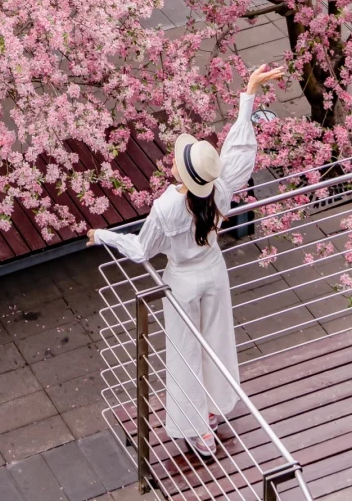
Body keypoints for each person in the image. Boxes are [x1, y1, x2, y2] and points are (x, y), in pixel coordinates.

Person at [88, 64, 284, 461]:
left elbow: (142, 251)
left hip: (182, 280)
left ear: (183, 173)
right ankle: (213, 414)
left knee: (184, 351)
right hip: (214, 271)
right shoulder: (222, 188)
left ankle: (196, 429)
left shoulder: (166, 207)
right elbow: (240, 151)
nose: (172, 161)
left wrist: (102, 235)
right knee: (216, 342)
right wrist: (249, 92)